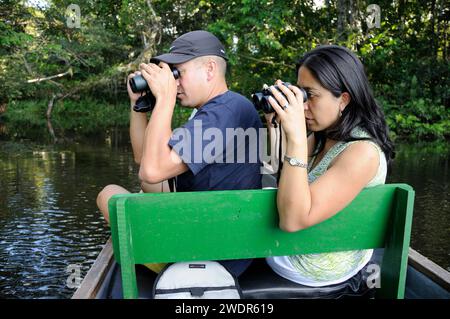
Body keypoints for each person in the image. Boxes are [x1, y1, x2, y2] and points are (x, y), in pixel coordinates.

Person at [96, 30, 262, 277]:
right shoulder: (216, 110)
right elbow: (145, 159)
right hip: (214, 230)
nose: (174, 83)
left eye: (178, 74)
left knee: (109, 194)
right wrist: (139, 105)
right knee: (143, 186)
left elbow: (152, 170)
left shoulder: (226, 110)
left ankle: (162, 261)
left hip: (209, 254)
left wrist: (165, 98)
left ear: (209, 70)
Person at [263, 45, 395, 287]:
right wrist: (278, 126)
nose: (303, 105)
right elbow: (281, 172)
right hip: (300, 246)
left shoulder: (362, 153)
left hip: (315, 266)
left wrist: (295, 138)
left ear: (343, 99)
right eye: (300, 94)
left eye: (310, 95)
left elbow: (292, 221)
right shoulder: (325, 134)